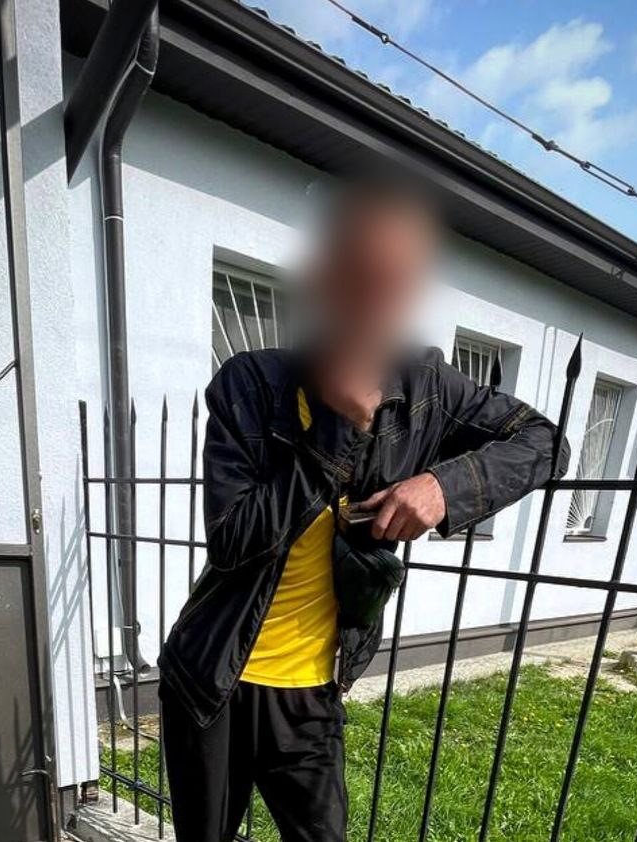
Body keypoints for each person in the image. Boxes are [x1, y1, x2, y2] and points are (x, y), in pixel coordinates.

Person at [158, 176, 569, 842]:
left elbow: (546, 442)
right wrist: (335, 430)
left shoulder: (427, 388)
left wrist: (443, 486)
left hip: (311, 695)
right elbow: (232, 539)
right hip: (210, 686)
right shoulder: (251, 384)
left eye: (392, 281)